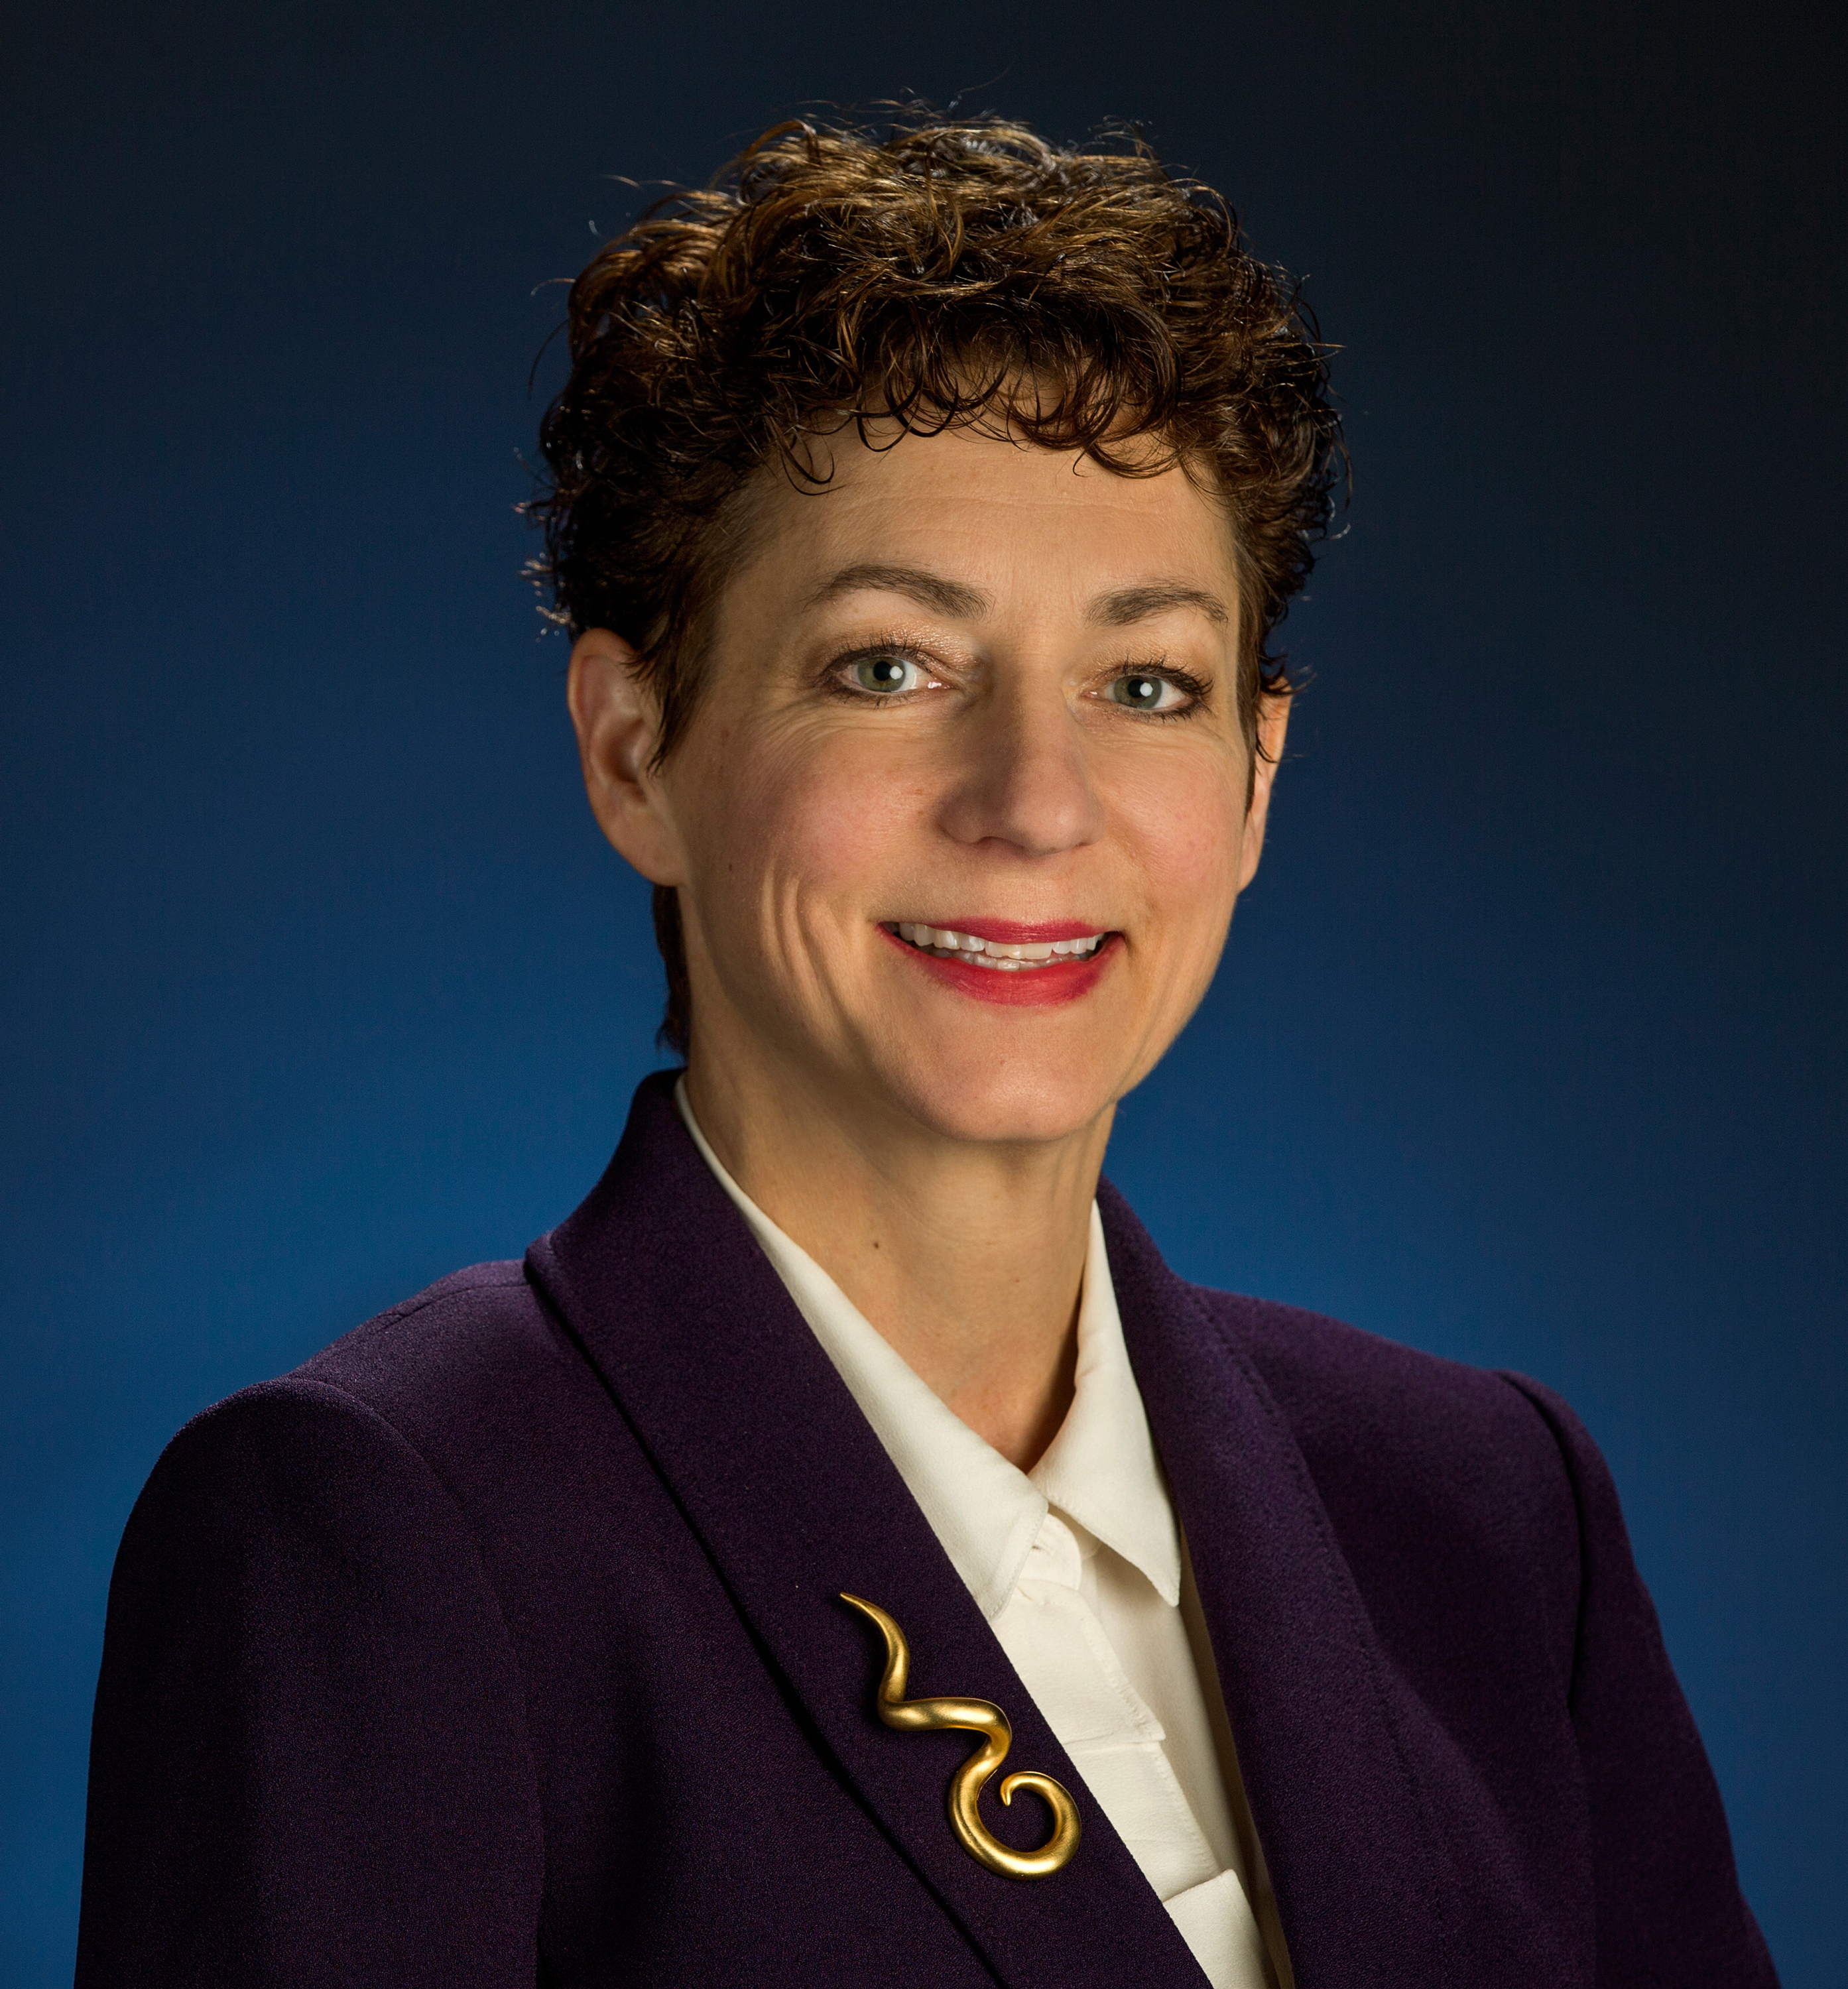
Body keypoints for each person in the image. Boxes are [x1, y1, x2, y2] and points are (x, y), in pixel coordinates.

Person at [74, 115, 1776, 1989]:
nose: (1036, 803)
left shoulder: (1485, 1510)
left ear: (1256, 773)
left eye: (1146, 684)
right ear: (636, 752)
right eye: (889, 666)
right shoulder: (378, 1527)